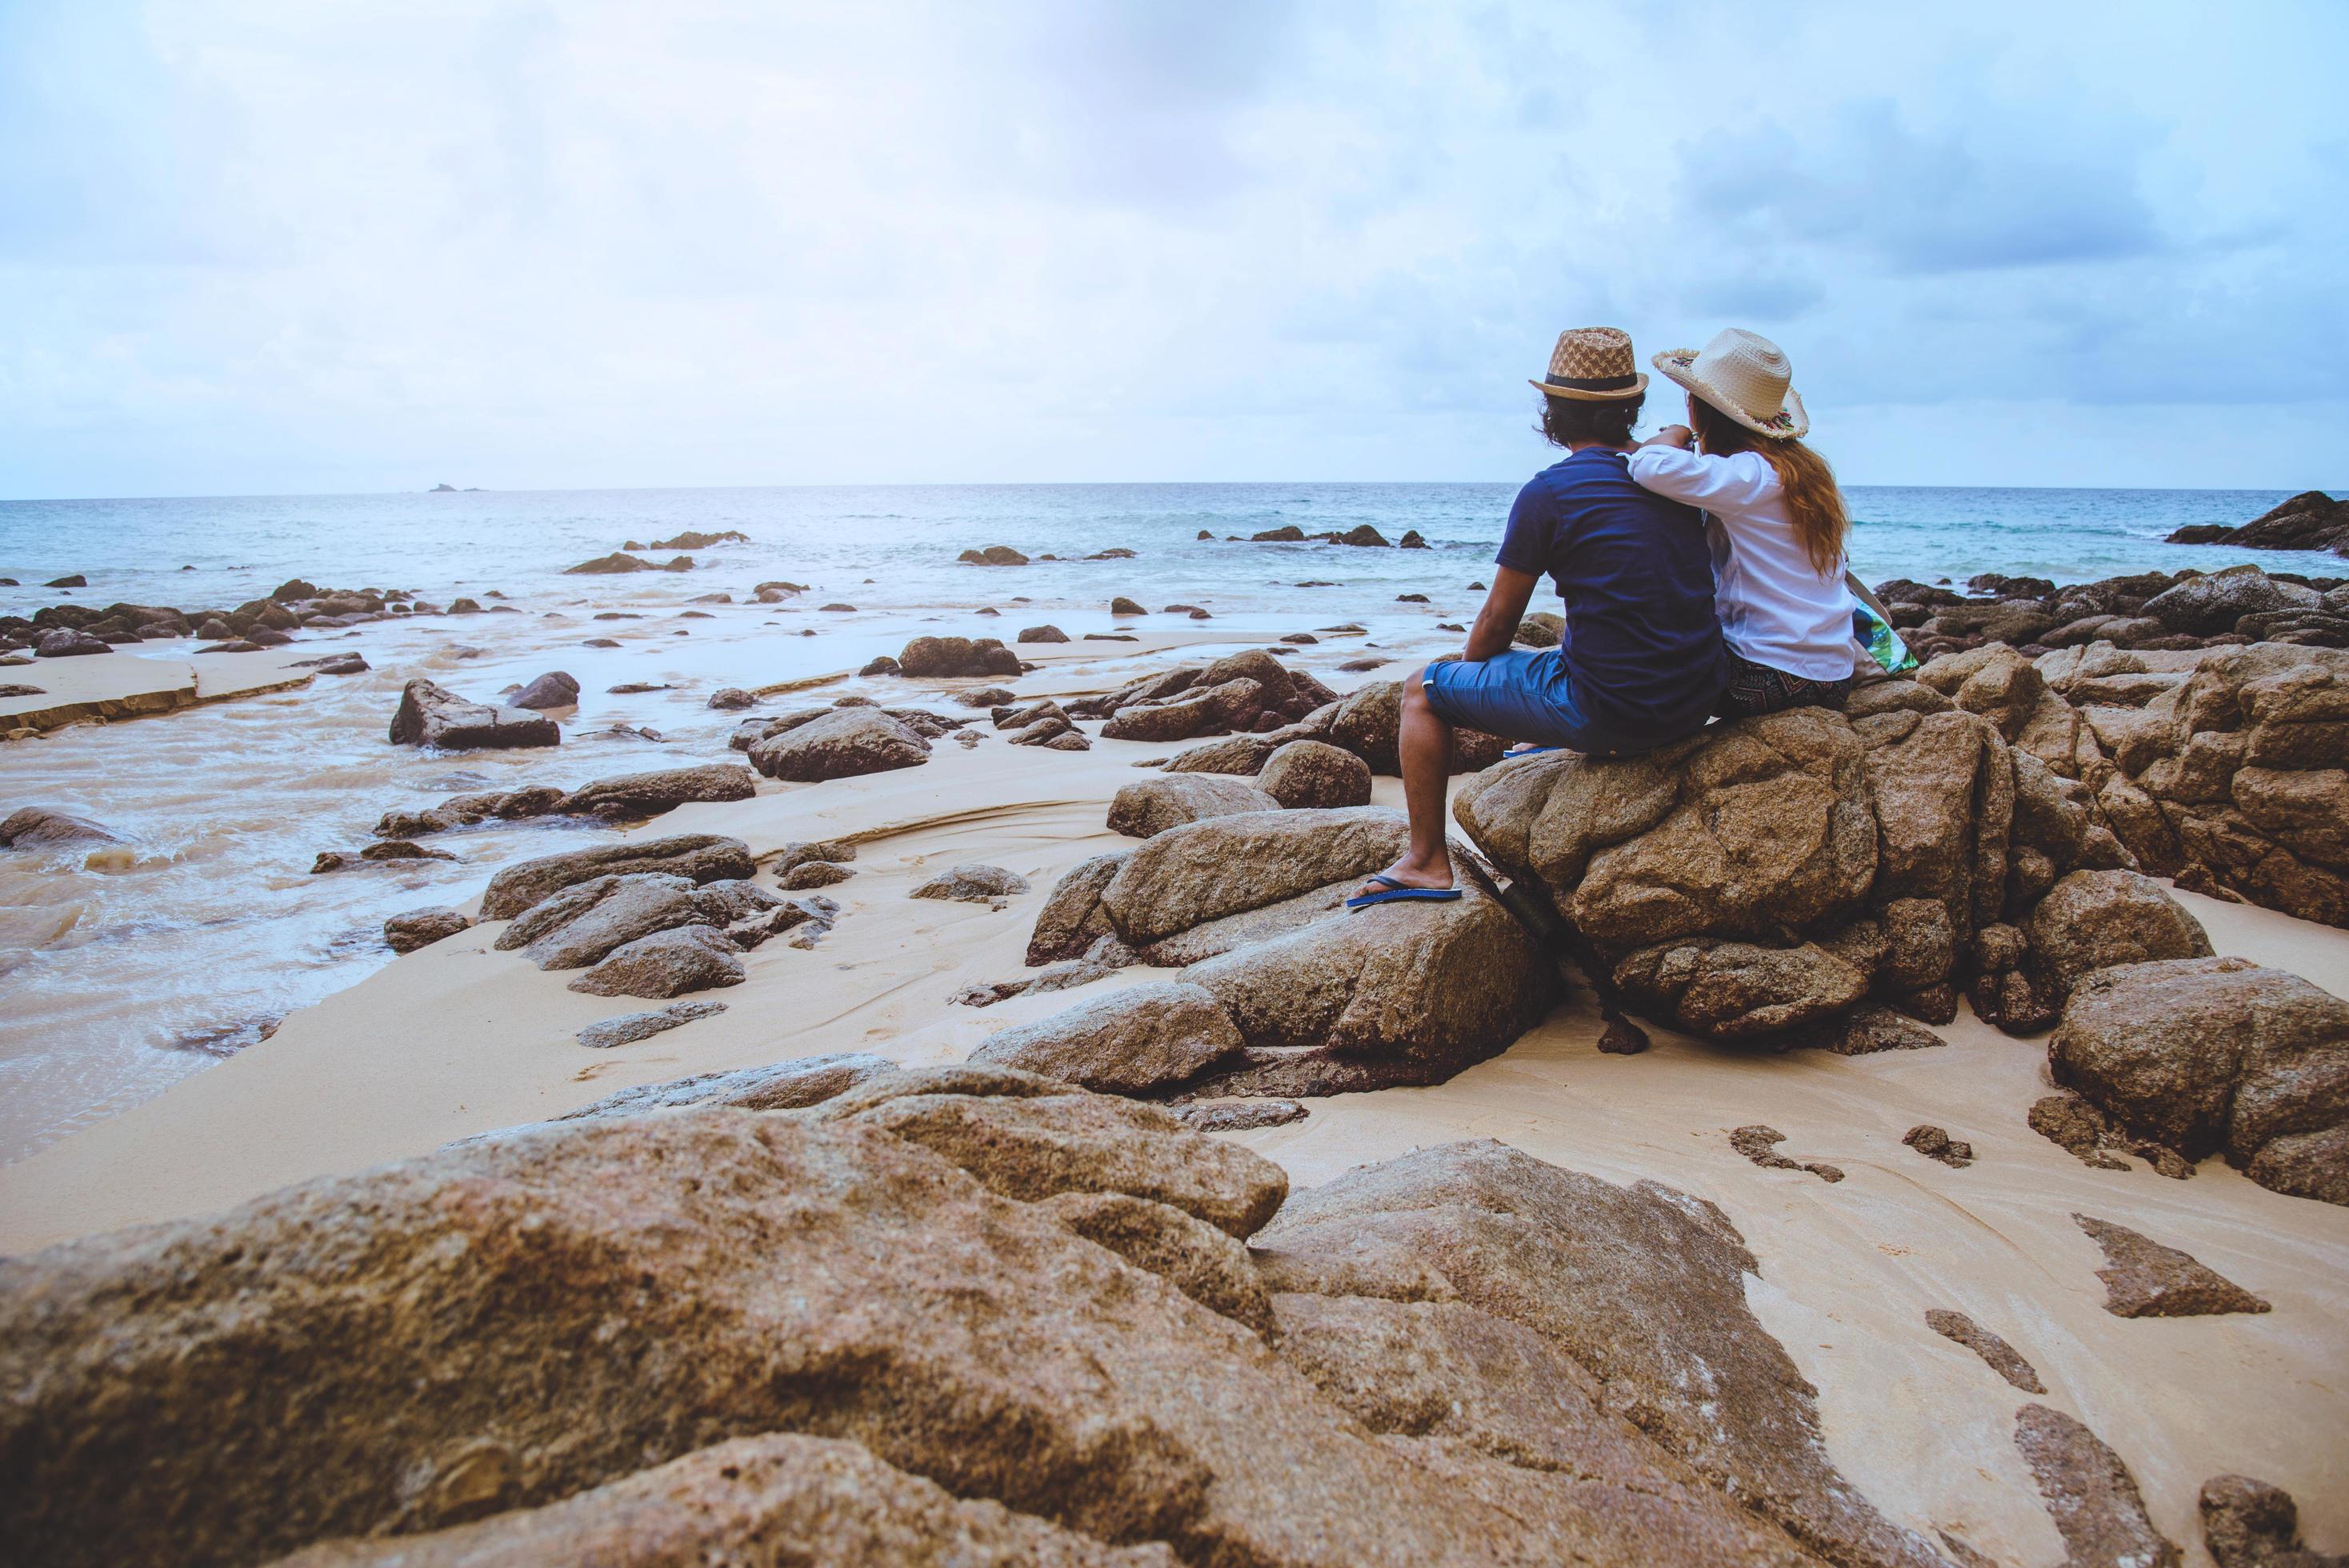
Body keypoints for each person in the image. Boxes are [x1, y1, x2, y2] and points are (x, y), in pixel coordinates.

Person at [1350, 326, 1725, 907]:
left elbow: (1498, 624)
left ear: (1552, 411)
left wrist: (1473, 683)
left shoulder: (1548, 494)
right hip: (1697, 700)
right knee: (1583, 632)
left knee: (1421, 691)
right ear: (1630, 408)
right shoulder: (1675, 473)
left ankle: (1425, 860)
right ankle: (1547, 728)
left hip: (1617, 716)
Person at [1629, 328, 1856, 718]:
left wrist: (1675, 433)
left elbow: (1650, 467)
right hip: (1834, 676)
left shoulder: (1752, 475)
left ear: (1704, 409)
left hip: (1767, 677)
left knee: (1631, 663)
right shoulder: (1801, 471)